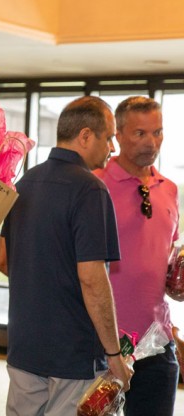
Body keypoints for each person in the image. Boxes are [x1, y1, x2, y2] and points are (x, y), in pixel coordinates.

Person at [0, 95, 133, 416]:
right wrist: (114, 356)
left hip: (24, 346)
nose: (113, 148)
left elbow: (2, 260)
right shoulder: (90, 190)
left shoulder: (25, 182)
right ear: (85, 136)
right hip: (73, 355)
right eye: (109, 137)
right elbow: (92, 280)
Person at [94, 96, 179, 416]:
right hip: (101, 343)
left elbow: (166, 260)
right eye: (140, 133)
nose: (151, 142)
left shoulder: (169, 189)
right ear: (117, 135)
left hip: (156, 343)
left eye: (157, 132)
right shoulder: (95, 186)